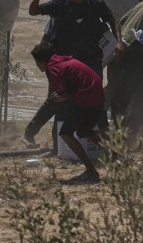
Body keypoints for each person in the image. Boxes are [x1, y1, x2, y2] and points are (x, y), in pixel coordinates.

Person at [25, 0, 121, 146]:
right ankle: (52, 141)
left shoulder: (96, 4)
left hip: (90, 62)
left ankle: (104, 144)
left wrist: (119, 42)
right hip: (64, 63)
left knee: (94, 99)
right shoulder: (61, 3)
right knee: (58, 100)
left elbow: (112, 21)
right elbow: (35, 14)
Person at [31, 42, 107, 183]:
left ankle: (92, 171)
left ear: (40, 62)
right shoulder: (62, 60)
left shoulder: (52, 68)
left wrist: (58, 98)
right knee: (84, 132)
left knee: (66, 133)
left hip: (86, 97)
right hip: (96, 93)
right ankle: (116, 154)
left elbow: (64, 95)